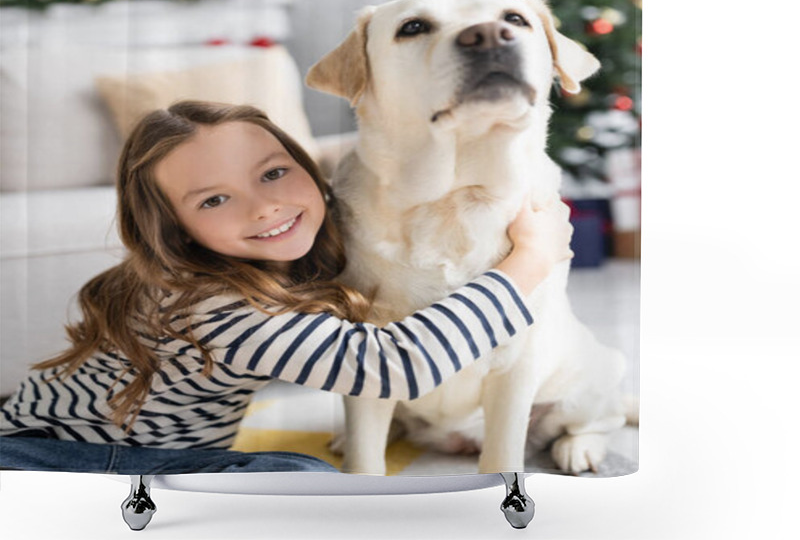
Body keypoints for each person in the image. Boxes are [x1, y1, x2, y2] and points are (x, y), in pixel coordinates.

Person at [0, 100, 574, 475]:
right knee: (308, 482)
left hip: (71, 441)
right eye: (215, 199)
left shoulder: (278, 245)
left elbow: (384, 160)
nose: (266, 205)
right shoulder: (212, 308)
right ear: (174, 230)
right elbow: (394, 367)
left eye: (274, 172)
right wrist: (530, 259)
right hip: (62, 461)